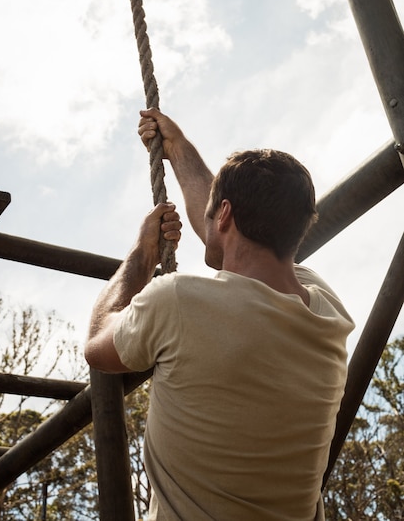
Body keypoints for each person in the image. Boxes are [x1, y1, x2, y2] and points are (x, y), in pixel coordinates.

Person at [85, 109, 355, 521]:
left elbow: (98, 343)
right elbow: (228, 238)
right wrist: (177, 149)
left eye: (215, 210)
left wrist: (142, 255)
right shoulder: (326, 310)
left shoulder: (177, 301)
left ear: (225, 214)